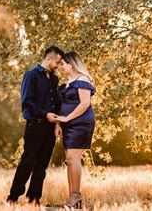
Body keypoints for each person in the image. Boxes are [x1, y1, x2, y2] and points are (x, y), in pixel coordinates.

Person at [6, 46, 65, 205]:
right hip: (34, 126)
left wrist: (57, 123)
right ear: (48, 58)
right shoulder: (31, 75)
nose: (59, 65)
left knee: (42, 166)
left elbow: (57, 104)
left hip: (50, 128)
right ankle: (13, 198)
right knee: (27, 162)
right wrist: (45, 115)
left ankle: (34, 200)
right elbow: (26, 103)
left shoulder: (54, 79)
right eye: (58, 62)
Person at [55, 51, 96, 209]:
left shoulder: (83, 79)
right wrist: (59, 123)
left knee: (73, 159)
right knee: (69, 160)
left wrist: (66, 118)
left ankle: (76, 196)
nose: (62, 67)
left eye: (63, 64)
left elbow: (85, 104)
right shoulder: (69, 82)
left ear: (71, 64)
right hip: (68, 124)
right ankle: (72, 198)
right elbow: (61, 106)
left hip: (81, 123)